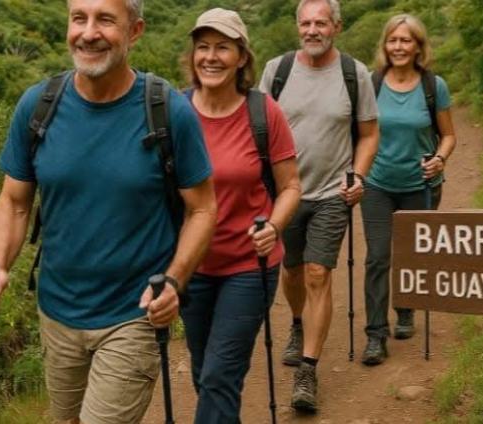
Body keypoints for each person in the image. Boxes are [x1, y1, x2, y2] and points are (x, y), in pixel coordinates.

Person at [0, 0, 218, 423]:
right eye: (78, 18)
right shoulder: (38, 106)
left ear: (135, 31)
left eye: (105, 20)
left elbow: (202, 209)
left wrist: (174, 281)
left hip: (134, 313)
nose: (88, 32)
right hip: (56, 311)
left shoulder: (168, 111)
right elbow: (14, 201)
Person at [178, 8, 301, 423]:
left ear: (242, 57)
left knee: (219, 375)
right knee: (205, 374)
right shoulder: (175, 112)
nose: (211, 57)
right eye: (203, 47)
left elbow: (290, 187)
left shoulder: (263, 113)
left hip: (249, 265)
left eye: (223, 48)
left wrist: (275, 226)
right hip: (190, 266)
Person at [258, 0, 379, 413]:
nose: (313, 30)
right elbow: (257, 127)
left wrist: (358, 175)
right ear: (298, 27)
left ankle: (307, 370)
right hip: (285, 194)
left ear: (337, 27)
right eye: (306, 23)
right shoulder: (277, 70)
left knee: (317, 272)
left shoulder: (354, 74)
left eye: (321, 23)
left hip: (332, 194)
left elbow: (369, 134)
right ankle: (297, 322)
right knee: (291, 271)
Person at [360, 13, 456, 365]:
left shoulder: (433, 86)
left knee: (411, 254)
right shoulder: (371, 84)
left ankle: (405, 309)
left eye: (405, 40)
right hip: (377, 184)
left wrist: (440, 159)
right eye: (393, 40)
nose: (398, 47)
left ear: (418, 46)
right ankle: (375, 334)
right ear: (385, 45)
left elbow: (448, 136)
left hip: (421, 185)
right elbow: (360, 134)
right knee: (378, 256)